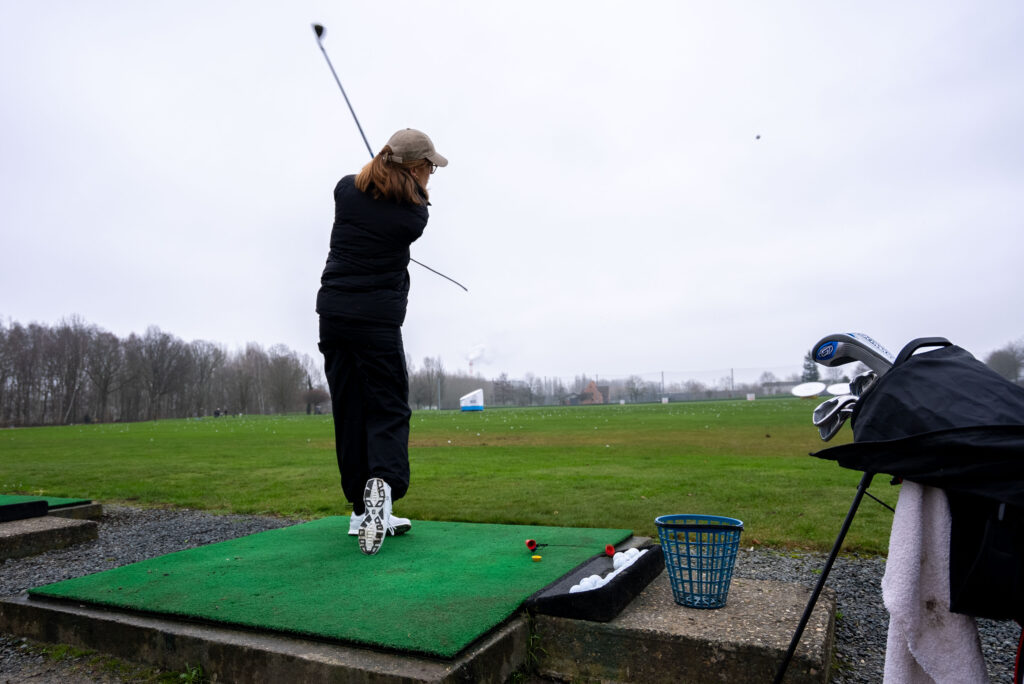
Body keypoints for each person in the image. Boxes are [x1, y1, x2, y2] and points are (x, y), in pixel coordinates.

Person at [316, 128, 448, 555]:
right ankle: (384, 487)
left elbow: (359, 188)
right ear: (415, 168)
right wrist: (407, 186)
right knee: (388, 409)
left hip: (333, 318)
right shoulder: (414, 216)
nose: (431, 176)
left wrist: (379, 170)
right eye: (429, 168)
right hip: (375, 323)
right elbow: (410, 204)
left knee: (350, 409)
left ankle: (362, 510)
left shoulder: (345, 191)